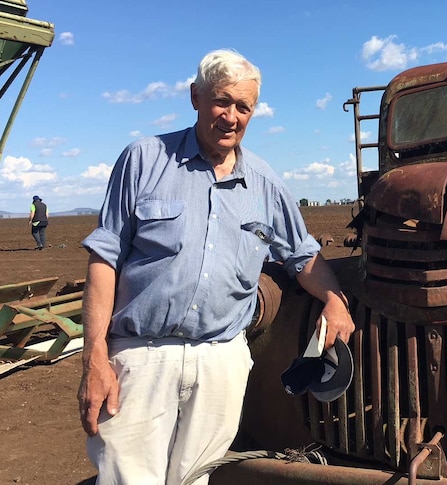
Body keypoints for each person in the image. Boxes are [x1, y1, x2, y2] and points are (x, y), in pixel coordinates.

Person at [77, 49, 355, 485]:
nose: (231, 116)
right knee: (125, 478)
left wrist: (335, 300)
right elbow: (104, 259)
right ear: (195, 97)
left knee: (197, 479)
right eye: (221, 101)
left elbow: (302, 255)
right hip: (141, 357)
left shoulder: (264, 183)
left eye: (243, 107)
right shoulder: (145, 159)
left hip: (221, 360)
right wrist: (94, 355)